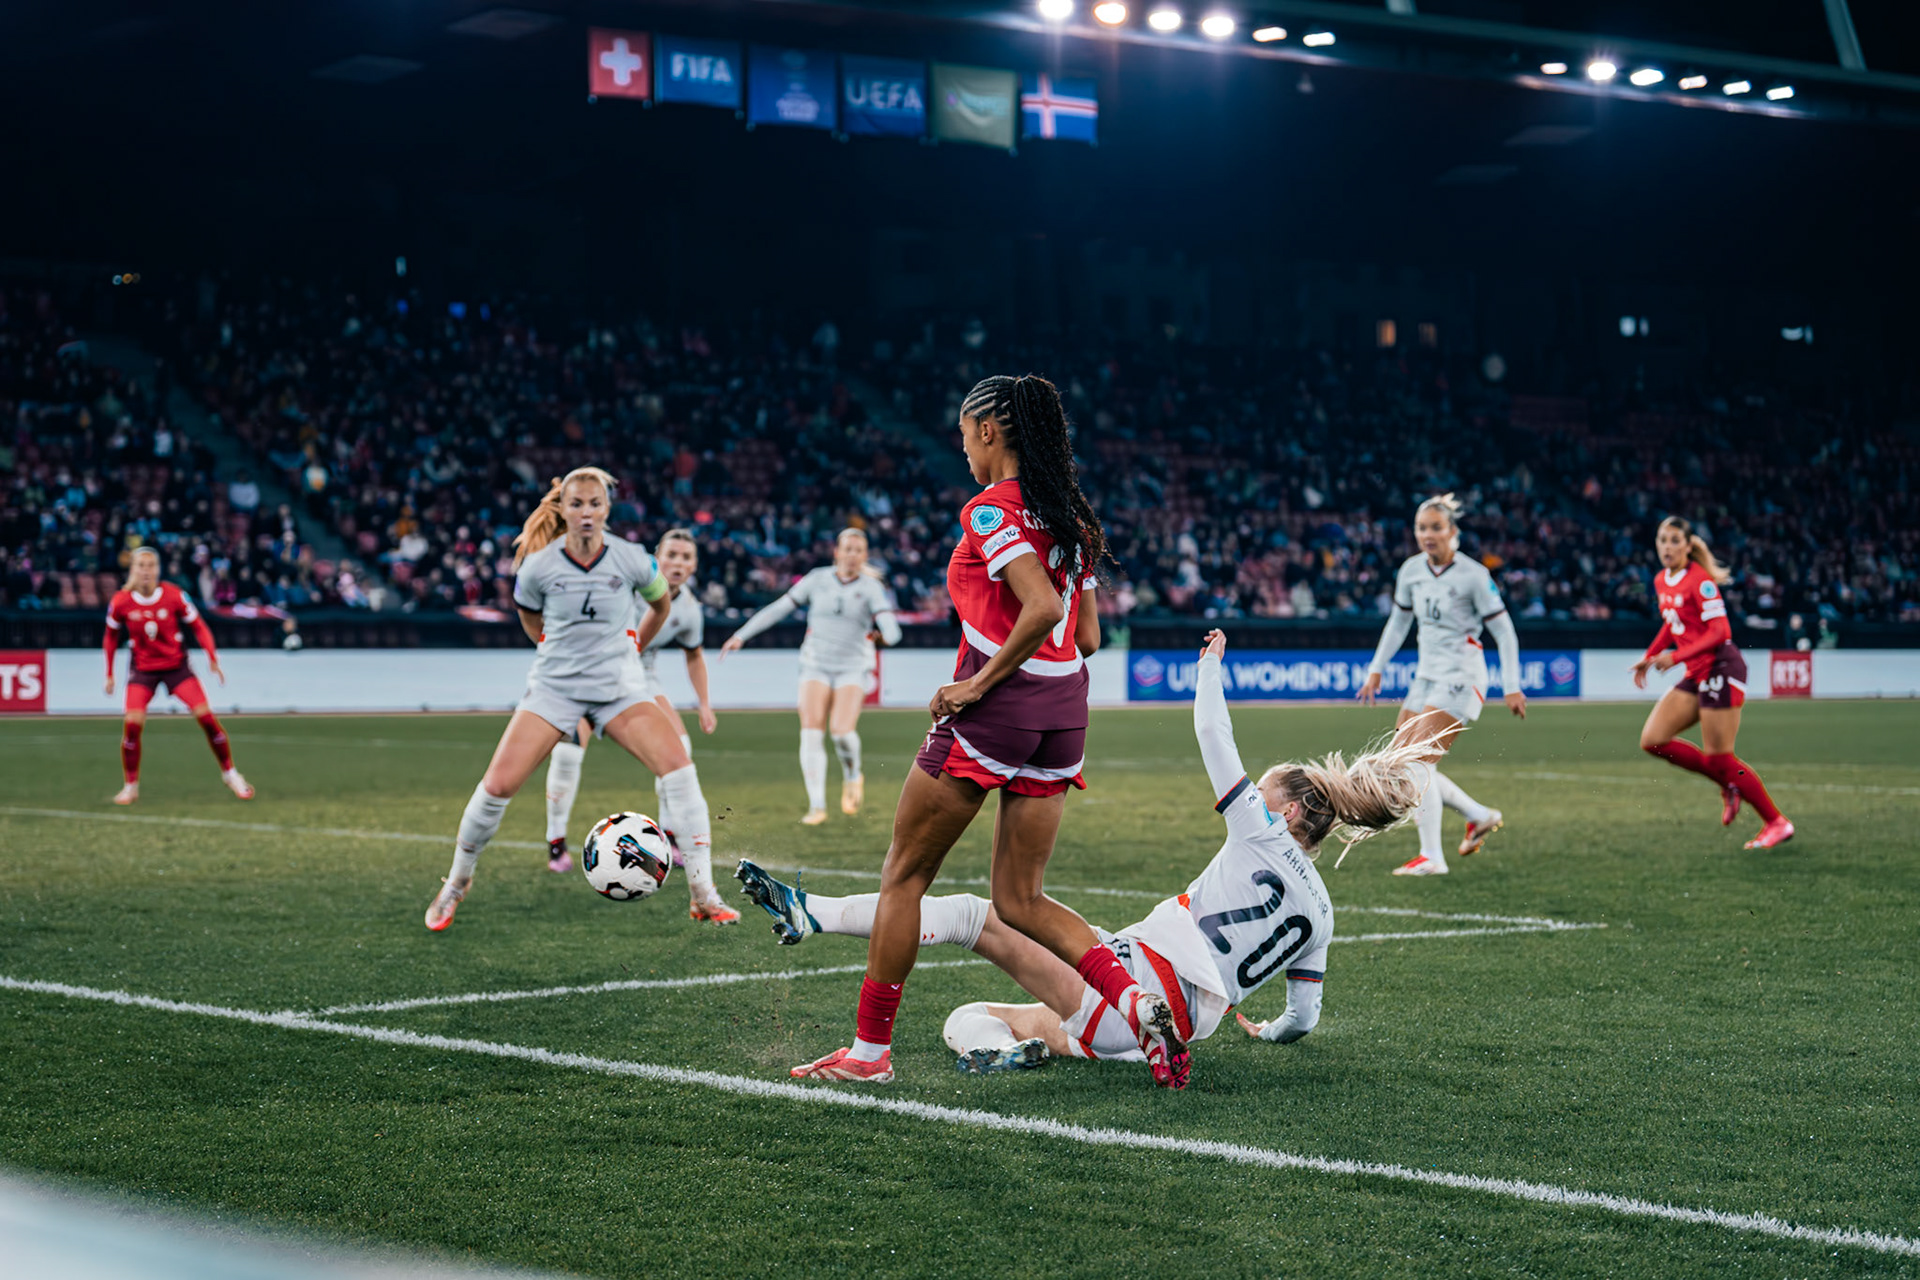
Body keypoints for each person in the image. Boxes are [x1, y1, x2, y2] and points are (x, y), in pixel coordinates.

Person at [739, 631, 1440, 1073]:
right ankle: (1014, 1047)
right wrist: (1266, 1035)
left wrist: (1209, 668)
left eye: (1263, 792)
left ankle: (814, 911)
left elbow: (1213, 735)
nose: (1250, 796)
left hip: (1138, 981)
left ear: (1286, 811)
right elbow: (1302, 1019)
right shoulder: (1322, 912)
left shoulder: (1260, 829)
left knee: (973, 917)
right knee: (970, 1020)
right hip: (1176, 1020)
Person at [787, 373, 1192, 1089]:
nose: (963, 450)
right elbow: (1088, 636)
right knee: (1021, 899)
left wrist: (977, 683)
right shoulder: (1070, 516)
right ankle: (1134, 1003)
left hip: (999, 710)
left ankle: (869, 1055)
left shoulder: (988, 510)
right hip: (1066, 713)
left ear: (986, 431)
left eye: (963, 434)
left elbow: (1036, 607)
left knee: (903, 878)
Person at [423, 468, 739, 932]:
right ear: (563, 509)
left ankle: (702, 893)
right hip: (556, 689)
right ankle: (457, 882)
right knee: (496, 787)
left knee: (680, 768)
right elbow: (531, 623)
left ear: (607, 509)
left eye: (595, 504)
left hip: (619, 689)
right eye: (577, 504)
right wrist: (557, 652)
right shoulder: (538, 566)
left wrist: (632, 648)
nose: (586, 512)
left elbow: (660, 606)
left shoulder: (631, 559)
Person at [1358, 493, 1526, 876]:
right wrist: (1376, 668)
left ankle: (1432, 856)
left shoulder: (1474, 575)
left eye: (1436, 527)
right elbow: (1399, 622)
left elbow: (1505, 632)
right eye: (1421, 528)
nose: (1428, 535)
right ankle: (1479, 815)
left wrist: (1512, 686)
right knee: (1399, 767)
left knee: (1413, 762)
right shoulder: (1411, 571)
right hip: (1425, 678)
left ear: (1453, 531)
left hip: (1461, 678)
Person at [543, 528, 716, 872]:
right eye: (671, 555)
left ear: (694, 565)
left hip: (641, 678)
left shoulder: (690, 609)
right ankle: (556, 841)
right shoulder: (627, 583)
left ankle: (668, 835)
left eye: (686, 557)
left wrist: (704, 703)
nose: (678, 563)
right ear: (656, 557)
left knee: (680, 747)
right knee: (568, 751)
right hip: (591, 671)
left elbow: (694, 655)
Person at [1632, 516, 1793, 849]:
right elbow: (1671, 622)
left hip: (1722, 668)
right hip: (1697, 672)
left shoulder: (1700, 581)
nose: (1667, 547)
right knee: (1653, 739)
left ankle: (1777, 822)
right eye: (1662, 540)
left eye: (1675, 540)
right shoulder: (1662, 579)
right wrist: (1651, 655)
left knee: (1721, 758)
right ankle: (1728, 783)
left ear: (1689, 546)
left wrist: (1673, 658)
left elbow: (1721, 632)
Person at [720, 527, 900, 824]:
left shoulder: (870, 587)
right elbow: (779, 608)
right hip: (815, 663)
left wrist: (887, 635)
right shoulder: (817, 579)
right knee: (811, 730)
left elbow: (891, 629)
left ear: (865, 555)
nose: (853, 555)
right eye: (848, 548)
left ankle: (853, 775)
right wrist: (742, 635)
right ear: (837, 552)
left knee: (841, 732)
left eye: (859, 550)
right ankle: (817, 805)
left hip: (853, 666)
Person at [103, 546, 253, 804]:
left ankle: (231, 774)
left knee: (207, 719)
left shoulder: (174, 596)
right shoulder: (121, 601)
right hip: (142, 670)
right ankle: (131, 786)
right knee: (132, 726)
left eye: (151, 566)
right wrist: (109, 673)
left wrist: (212, 658)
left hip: (177, 668)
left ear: (158, 569)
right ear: (133, 570)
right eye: (141, 566)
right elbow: (110, 636)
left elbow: (199, 626)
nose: (146, 571)